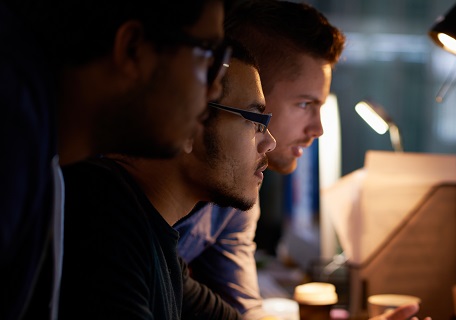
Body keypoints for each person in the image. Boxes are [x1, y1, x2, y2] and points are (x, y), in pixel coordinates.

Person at [0, 0, 228, 318]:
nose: (217, 88)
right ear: (133, 48)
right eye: (211, 57)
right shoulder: (12, 125)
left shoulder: (44, 151)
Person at [59, 45, 276, 319]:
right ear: (187, 123)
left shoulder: (154, 237)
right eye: (255, 121)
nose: (270, 142)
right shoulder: (102, 221)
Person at [173, 0, 342, 318]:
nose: (317, 129)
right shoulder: (124, 195)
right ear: (247, 84)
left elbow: (242, 308)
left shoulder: (234, 192)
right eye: (306, 104)